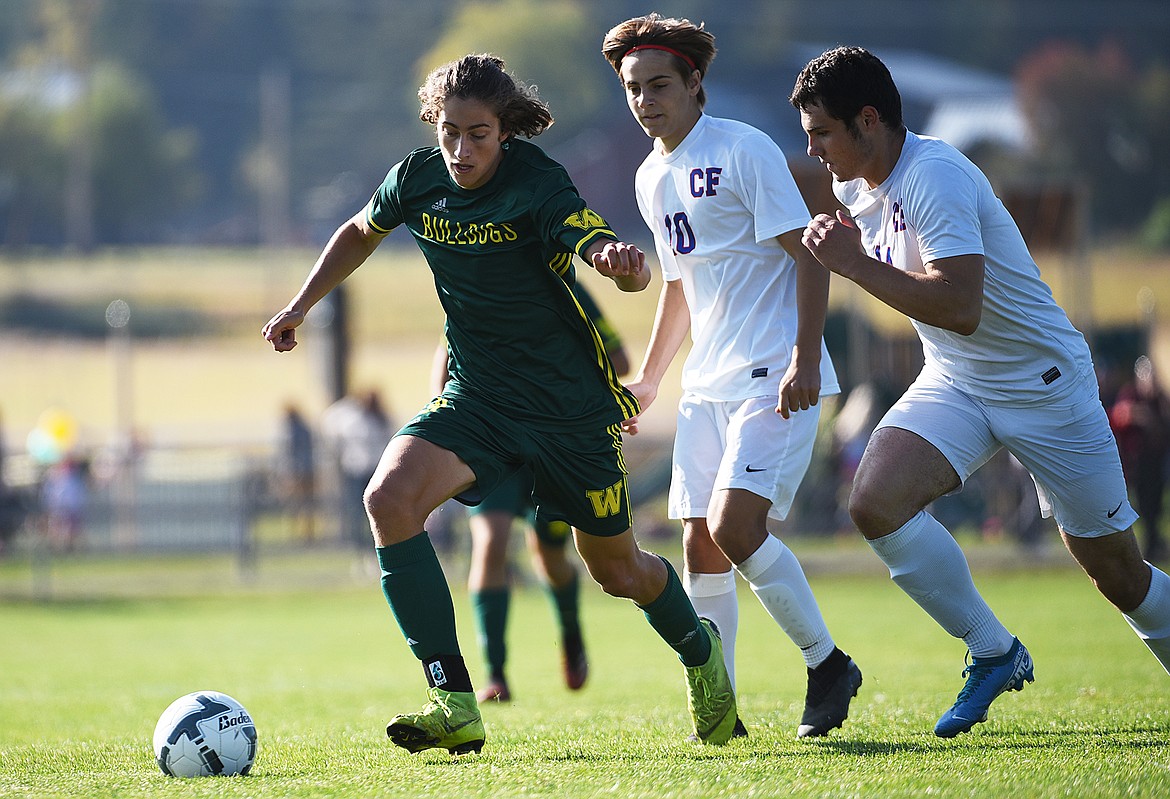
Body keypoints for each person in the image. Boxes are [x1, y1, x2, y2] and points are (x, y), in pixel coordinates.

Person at [262, 53, 739, 755]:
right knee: (388, 498)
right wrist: (301, 305)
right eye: (449, 132)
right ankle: (454, 698)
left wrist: (618, 261)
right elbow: (361, 230)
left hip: (566, 410)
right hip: (477, 398)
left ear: (505, 130)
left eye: (478, 134)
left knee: (618, 570)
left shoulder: (536, 181)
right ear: (435, 124)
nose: (461, 149)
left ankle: (703, 658)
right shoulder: (417, 179)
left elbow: (596, 242)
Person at [790, 45, 1170, 737]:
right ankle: (993, 649)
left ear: (868, 120)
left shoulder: (934, 174)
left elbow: (960, 304)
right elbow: (935, 313)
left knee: (1121, 578)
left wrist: (851, 265)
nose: (812, 148)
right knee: (875, 500)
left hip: (1044, 386)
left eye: (821, 131)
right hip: (958, 379)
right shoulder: (854, 187)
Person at [601, 13, 862, 740]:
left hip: (775, 372)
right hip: (706, 385)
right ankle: (723, 709)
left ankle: (827, 662)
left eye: (659, 84)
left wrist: (806, 358)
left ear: (694, 84)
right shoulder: (651, 175)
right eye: (633, 88)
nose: (646, 99)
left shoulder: (744, 149)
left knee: (736, 526)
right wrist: (651, 378)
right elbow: (679, 285)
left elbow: (809, 254)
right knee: (700, 545)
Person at [436, 282, 631, 703]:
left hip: (554, 442)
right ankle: (495, 676)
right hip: (491, 440)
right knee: (489, 545)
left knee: (550, 555)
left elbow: (620, 359)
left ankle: (570, 630)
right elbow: (447, 356)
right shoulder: (474, 281)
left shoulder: (568, 292)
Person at [1109, 355, 1170, 562]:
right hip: (1136, 464)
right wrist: (1140, 415)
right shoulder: (1131, 395)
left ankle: (1154, 544)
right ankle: (1143, 548)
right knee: (1141, 507)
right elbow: (1117, 416)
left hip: (1155, 463)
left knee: (1156, 506)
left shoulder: (1160, 399)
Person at [321, 389, 393, 548]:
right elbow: (330, 419)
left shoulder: (381, 419)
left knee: (378, 510)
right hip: (356, 471)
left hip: (375, 470)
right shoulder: (353, 418)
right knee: (356, 510)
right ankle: (361, 546)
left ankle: (377, 543)